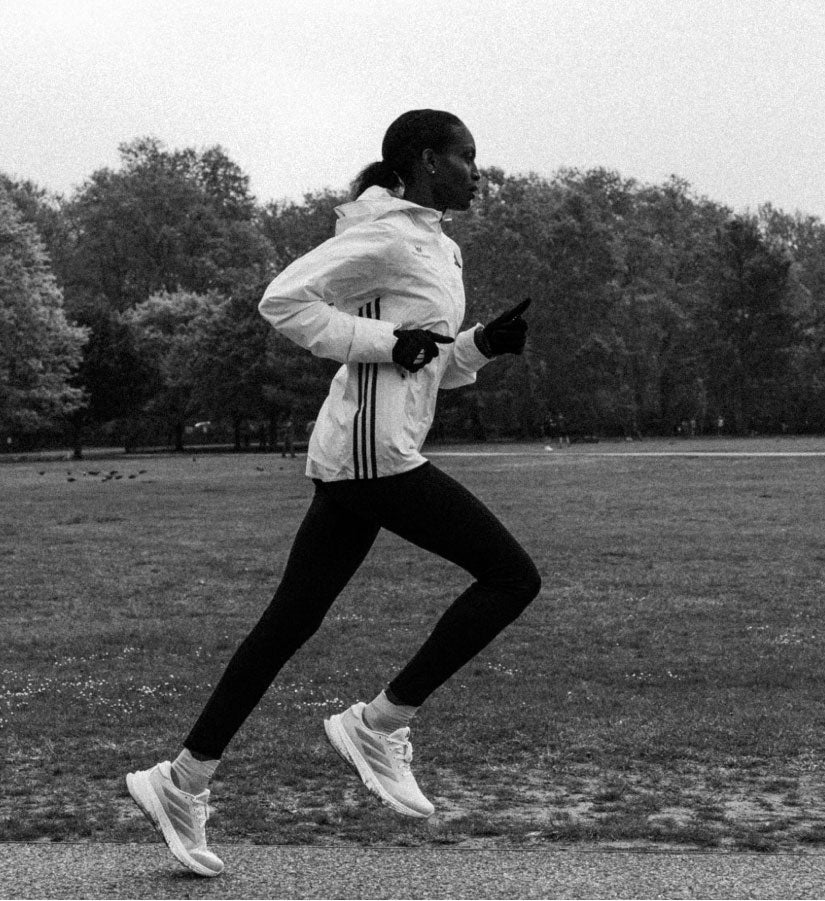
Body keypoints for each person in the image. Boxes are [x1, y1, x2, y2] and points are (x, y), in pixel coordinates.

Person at [125, 110, 541, 877]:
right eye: (467, 156)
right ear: (426, 160)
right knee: (512, 577)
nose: (479, 172)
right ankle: (379, 723)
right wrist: (385, 341)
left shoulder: (438, 246)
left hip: (368, 452)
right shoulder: (384, 235)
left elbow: (426, 363)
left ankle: (181, 779)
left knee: (289, 621)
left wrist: (481, 346)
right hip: (374, 455)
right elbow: (282, 300)